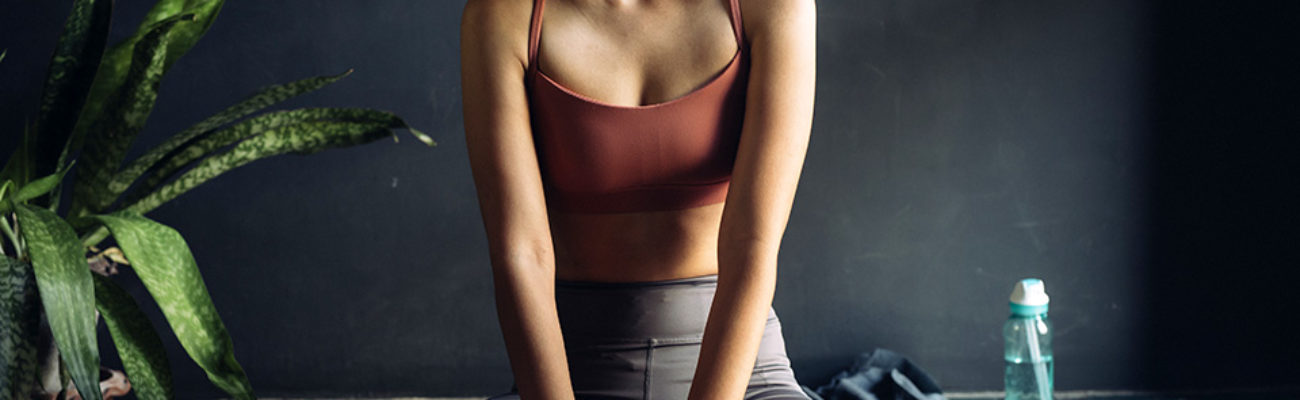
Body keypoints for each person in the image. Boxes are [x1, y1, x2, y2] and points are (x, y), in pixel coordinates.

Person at [459, 0, 815, 398]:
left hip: (741, 374)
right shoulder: (504, 13)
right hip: (573, 370)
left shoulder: (773, 7)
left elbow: (752, 245)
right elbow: (522, 254)